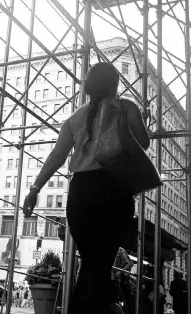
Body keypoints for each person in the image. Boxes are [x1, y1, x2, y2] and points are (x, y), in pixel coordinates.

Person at [23, 62, 150, 314]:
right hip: (113, 191)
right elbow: (143, 143)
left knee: (94, 265)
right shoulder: (126, 107)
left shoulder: (74, 118)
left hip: (80, 194)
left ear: (89, 86)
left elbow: (56, 156)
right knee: (98, 265)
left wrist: (35, 188)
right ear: (115, 84)